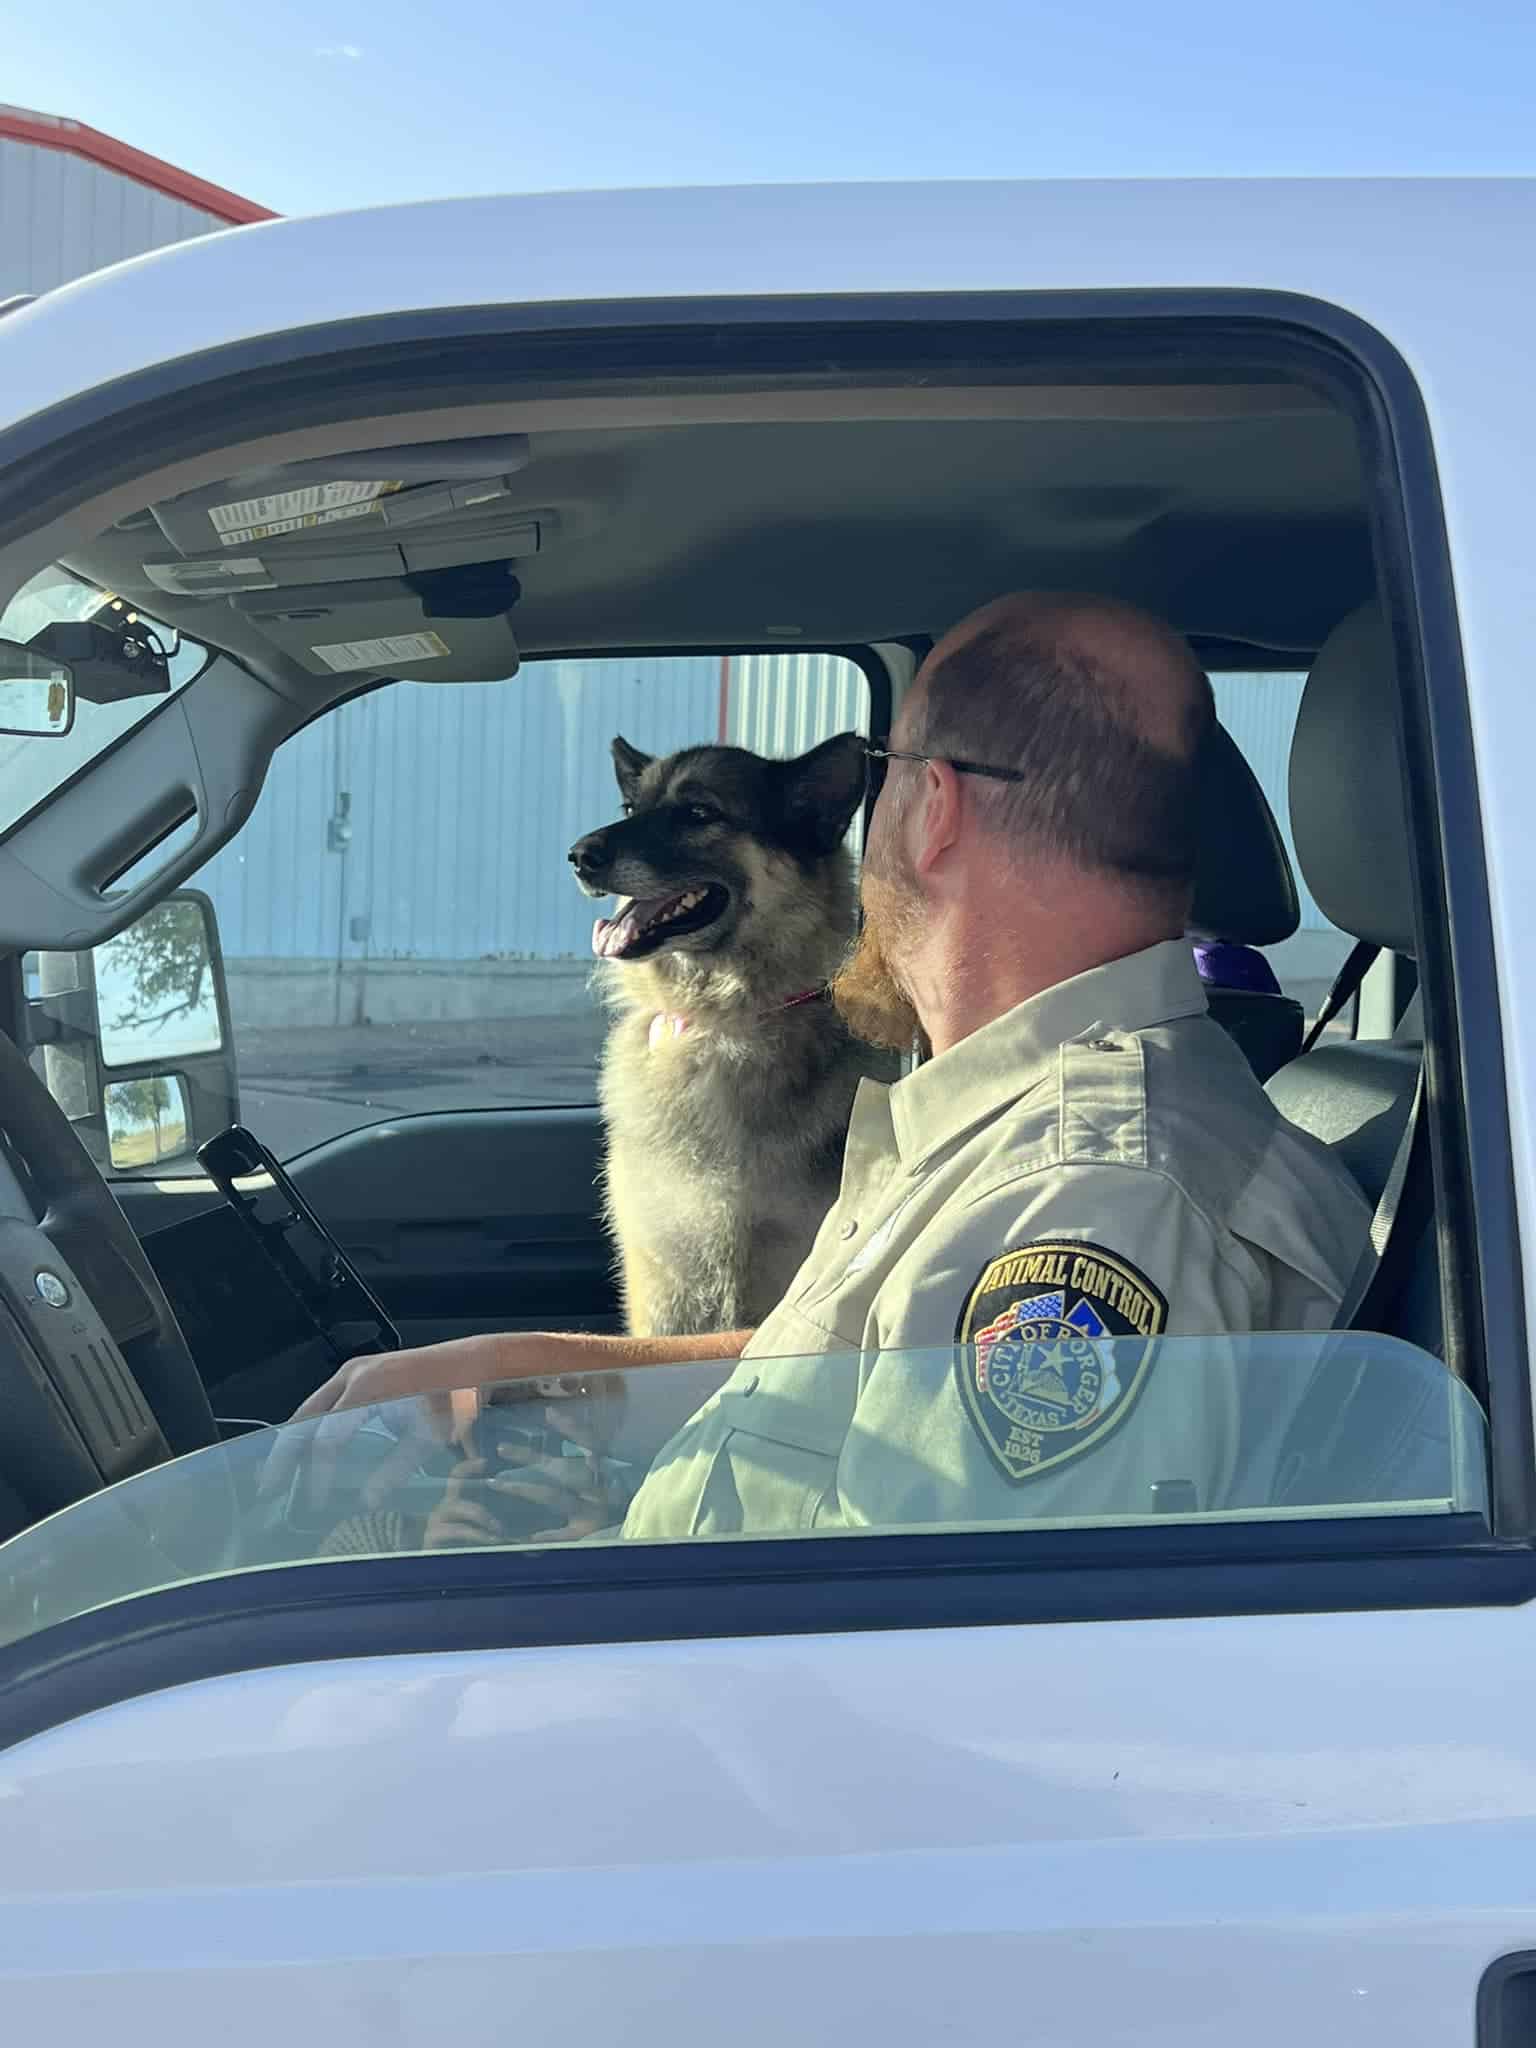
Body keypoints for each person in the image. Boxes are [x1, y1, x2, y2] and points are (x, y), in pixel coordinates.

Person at [290, 592, 1371, 1533]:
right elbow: (847, 1381)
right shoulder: (1003, 1120)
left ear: (934, 807)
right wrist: (537, 1376)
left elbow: (940, 1658)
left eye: (886, 776)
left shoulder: (1089, 1202)